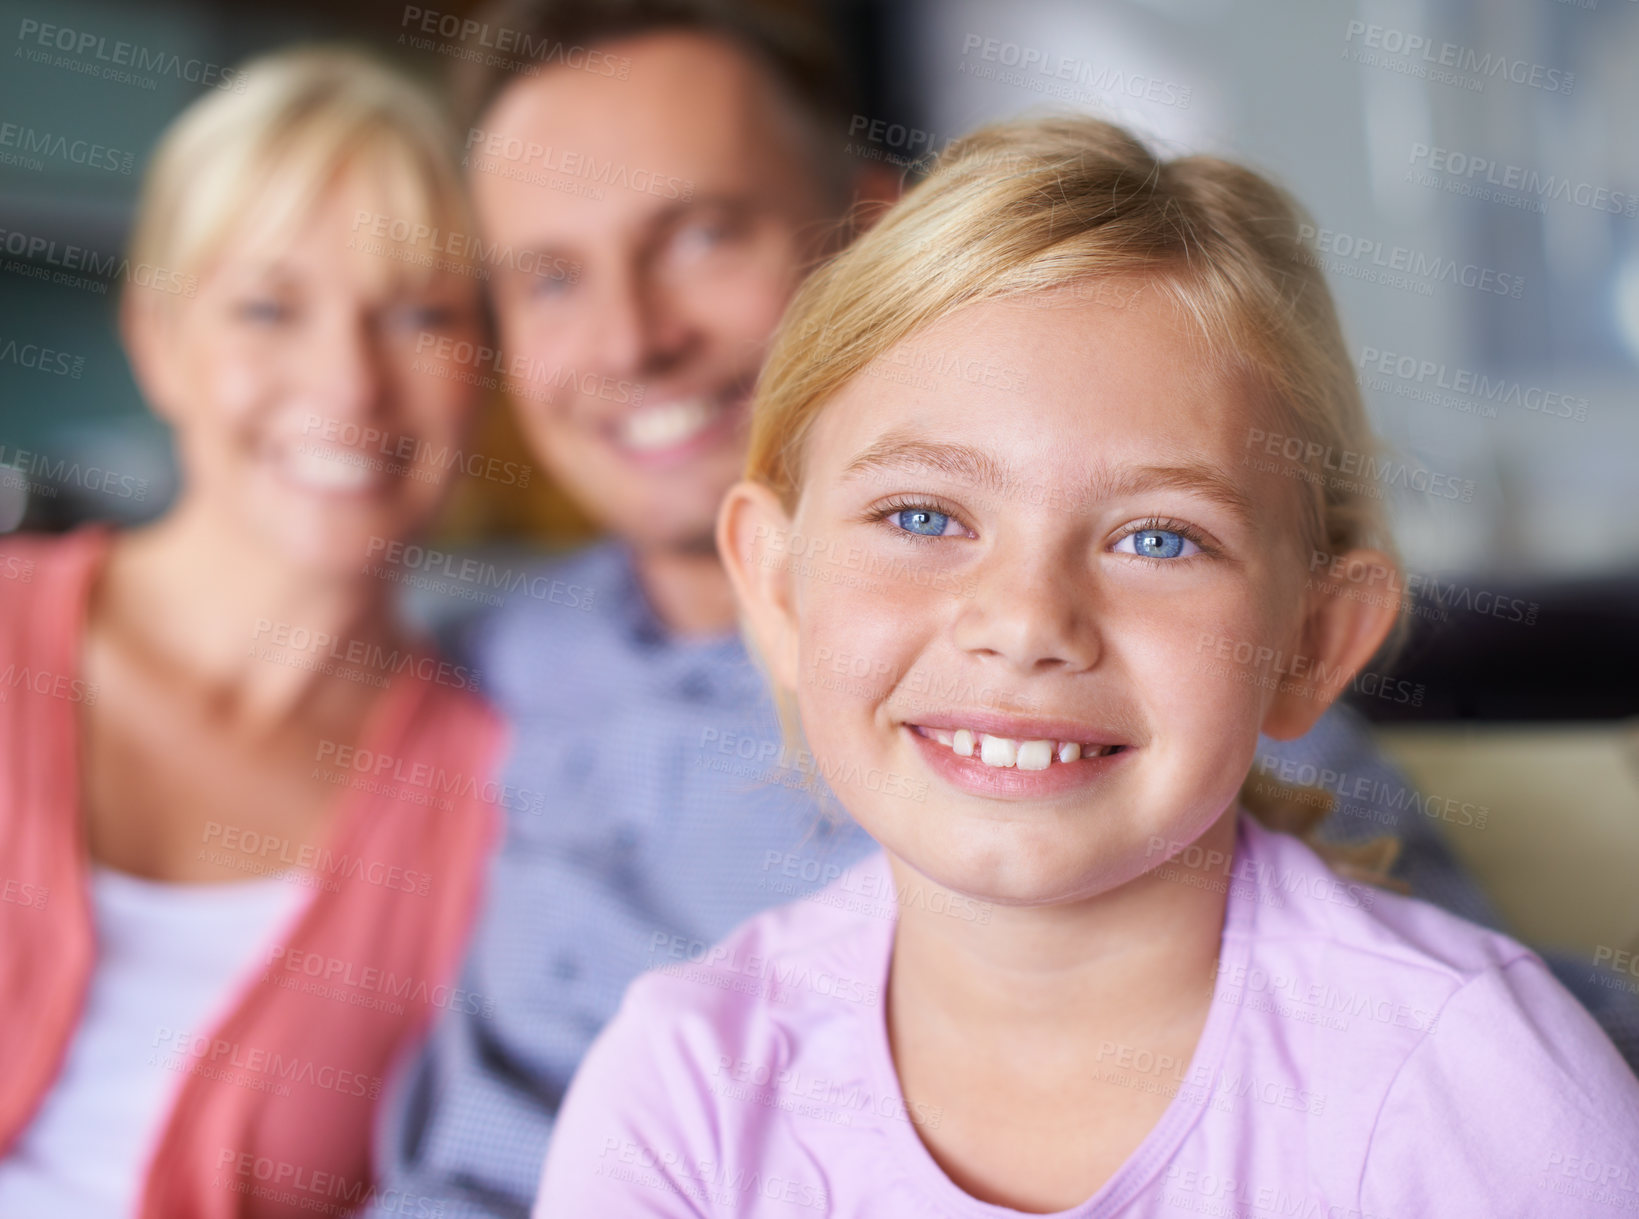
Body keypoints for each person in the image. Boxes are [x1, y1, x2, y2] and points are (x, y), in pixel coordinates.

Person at [368, 4, 1584, 1217]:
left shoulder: (1171, 726)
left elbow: (1456, 1062)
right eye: (551, 276)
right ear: (773, 579)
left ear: (872, 234)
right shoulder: (484, 662)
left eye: (699, 237)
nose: (630, 340)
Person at [0, 49, 503, 1218]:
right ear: (158, 335)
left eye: (419, 314)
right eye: (269, 306)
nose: (346, 381)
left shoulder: (495, 795)